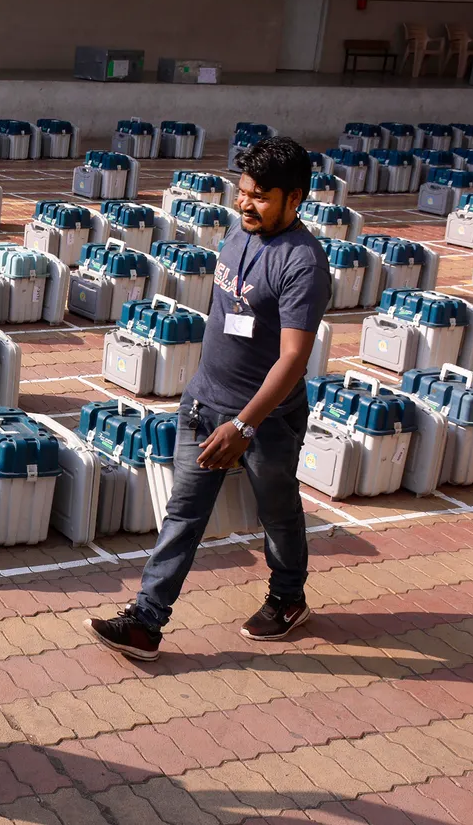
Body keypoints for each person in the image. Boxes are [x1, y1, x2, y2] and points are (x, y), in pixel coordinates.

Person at [84, 136, 330, 661]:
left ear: (296, 198)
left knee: (278, 512)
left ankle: (288, 597)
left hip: (265, 422)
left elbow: (292, 359)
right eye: (243, 192)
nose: (245, 204)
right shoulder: (238, 235)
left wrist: (243, 426)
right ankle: (146, 622)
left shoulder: (303, 262)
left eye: (261, 196)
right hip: (203, 405)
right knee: (183, 515)